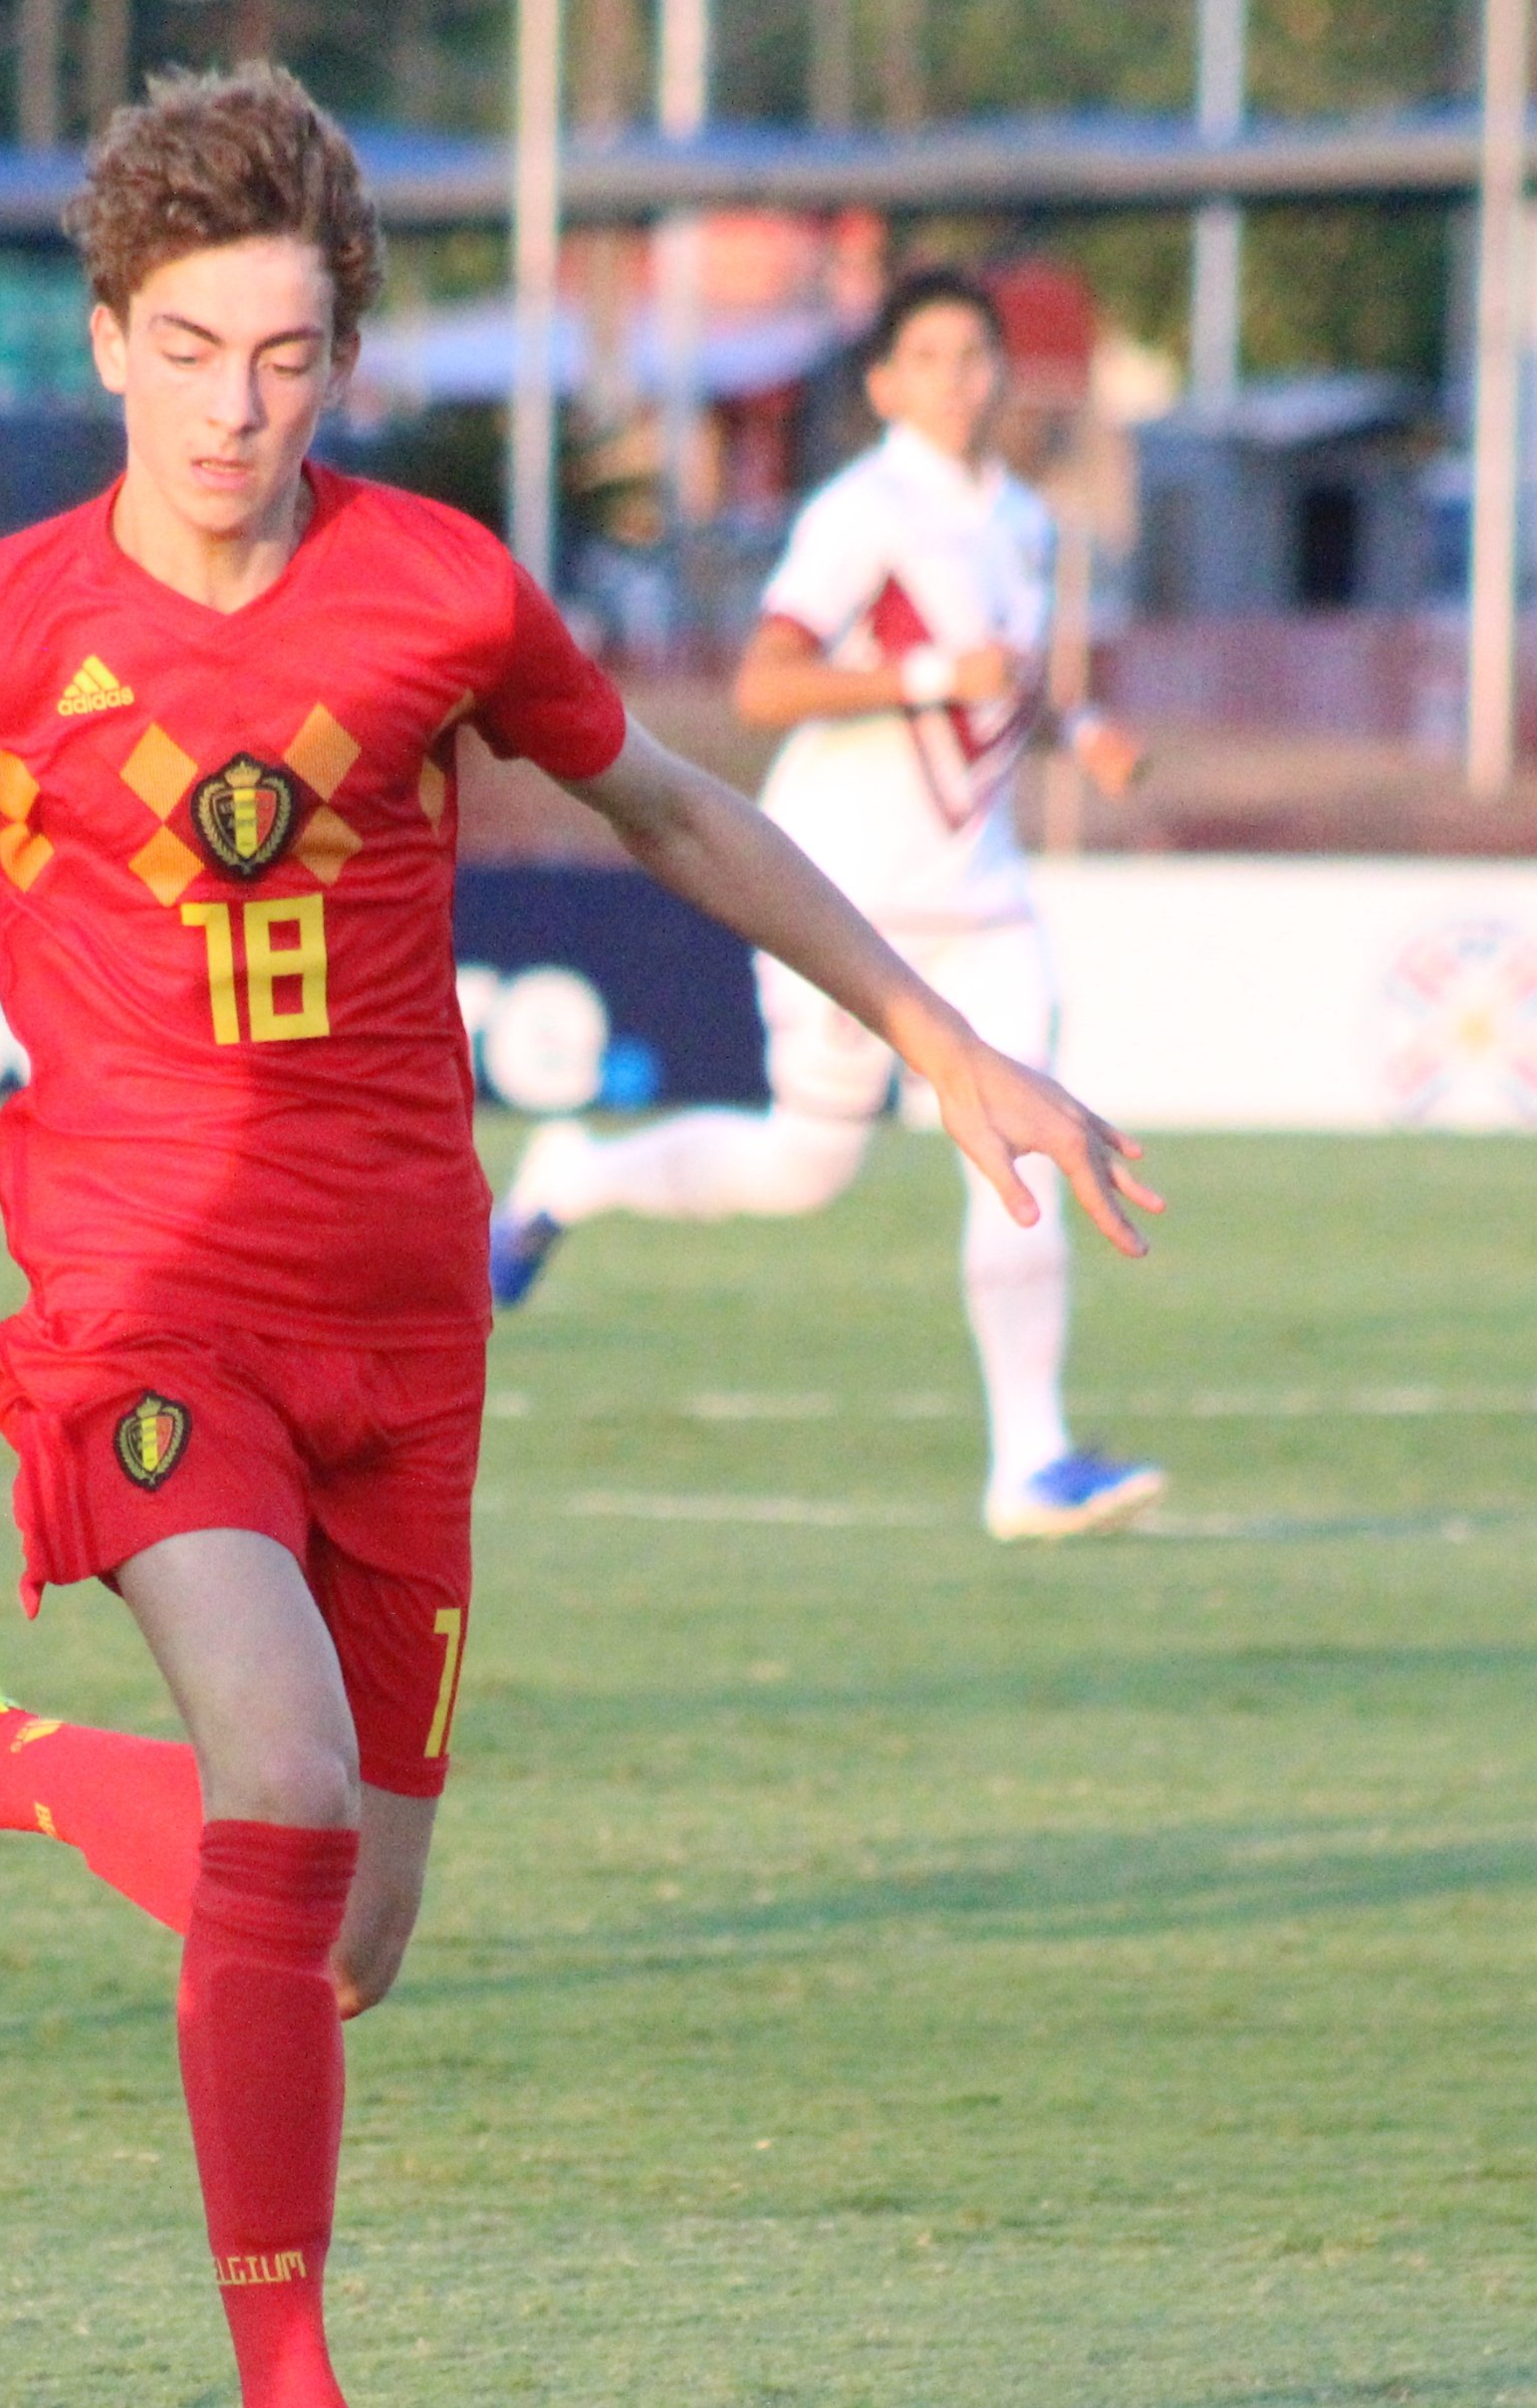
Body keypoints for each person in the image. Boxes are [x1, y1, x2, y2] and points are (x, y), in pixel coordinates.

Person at [0, 69, 1161, 2408]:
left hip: (405, 1323)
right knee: (285, 1767)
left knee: (342, 1931)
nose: (244, 406)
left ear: (345, 357)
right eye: (197, 347)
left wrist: (941, 1039)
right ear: (102, 343)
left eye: (295, 354)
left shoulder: (438, 587)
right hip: (135, 1294)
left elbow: (680, 808)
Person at [488, 265, 1166, 1542]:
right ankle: (571, 1175)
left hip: (983, 897)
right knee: (803, 1168)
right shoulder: (864, 513)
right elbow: (765, 685)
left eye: (978, 355)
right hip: (847, 901)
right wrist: (923, 675)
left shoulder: (1021, 517)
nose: (962, 378)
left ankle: (1032, 1459)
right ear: (883, 384)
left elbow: (996, 684)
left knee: (1015, 1137)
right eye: (933, 357)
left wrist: (1081, 731)